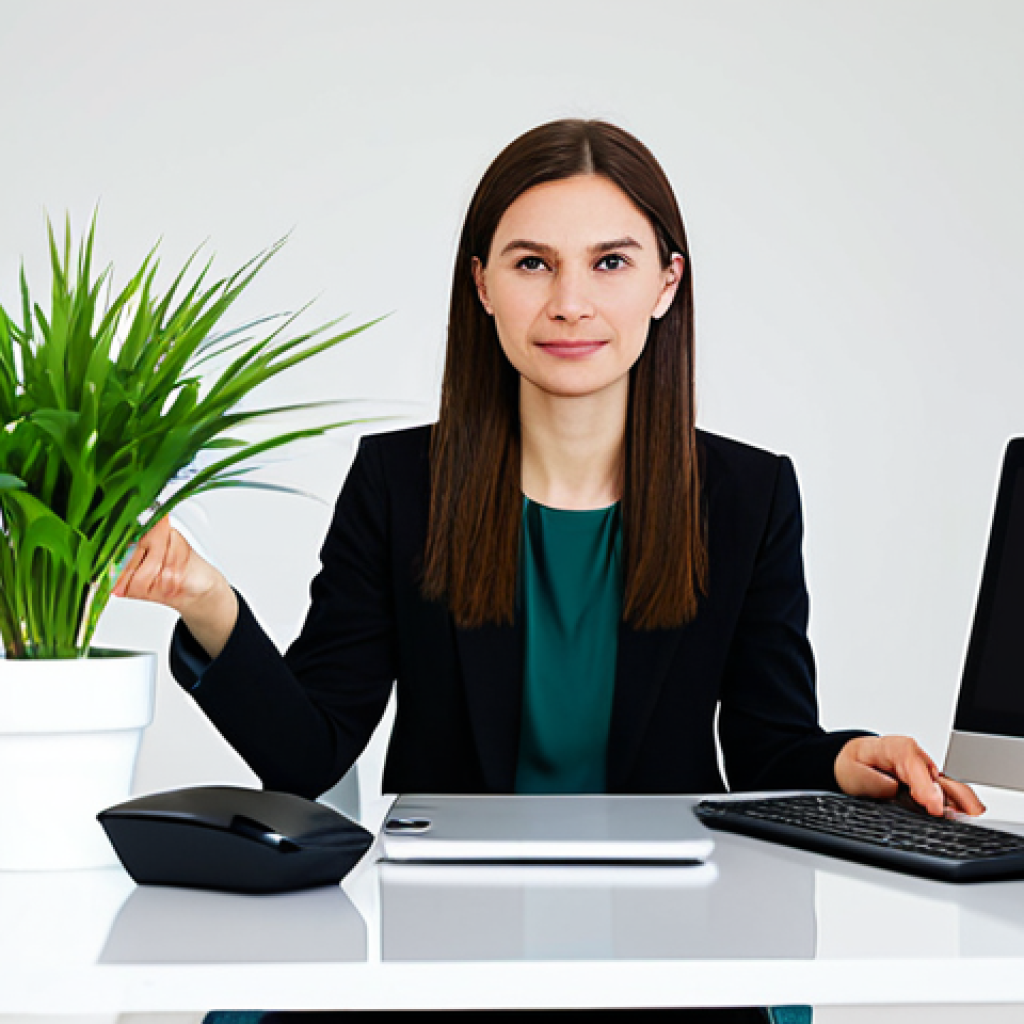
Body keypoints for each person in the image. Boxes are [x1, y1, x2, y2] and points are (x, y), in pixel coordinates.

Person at [114, 119, 984, 1023]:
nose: (570, 302)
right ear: (482, 284)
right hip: (448, 942)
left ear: (666, 283)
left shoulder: (748, 494)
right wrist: (207, 602)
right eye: (533, 264)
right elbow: (310, 750)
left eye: (610, 263)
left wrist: (849, 759)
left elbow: (765, 746)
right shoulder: (399, 484)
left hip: (679, 937)